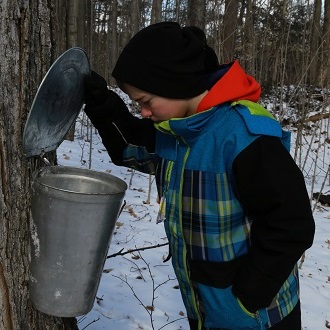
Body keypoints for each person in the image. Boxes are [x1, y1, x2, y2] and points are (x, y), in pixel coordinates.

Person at [84, 21, 315, 330]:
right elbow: (129, 145)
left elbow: (291, 224)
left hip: (260, 318)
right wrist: (101, 104)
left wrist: (247, 300)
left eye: (145, 102)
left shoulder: (244, 137)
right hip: (207, 310)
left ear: (174, 85)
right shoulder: (179, 131)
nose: (144, 113)